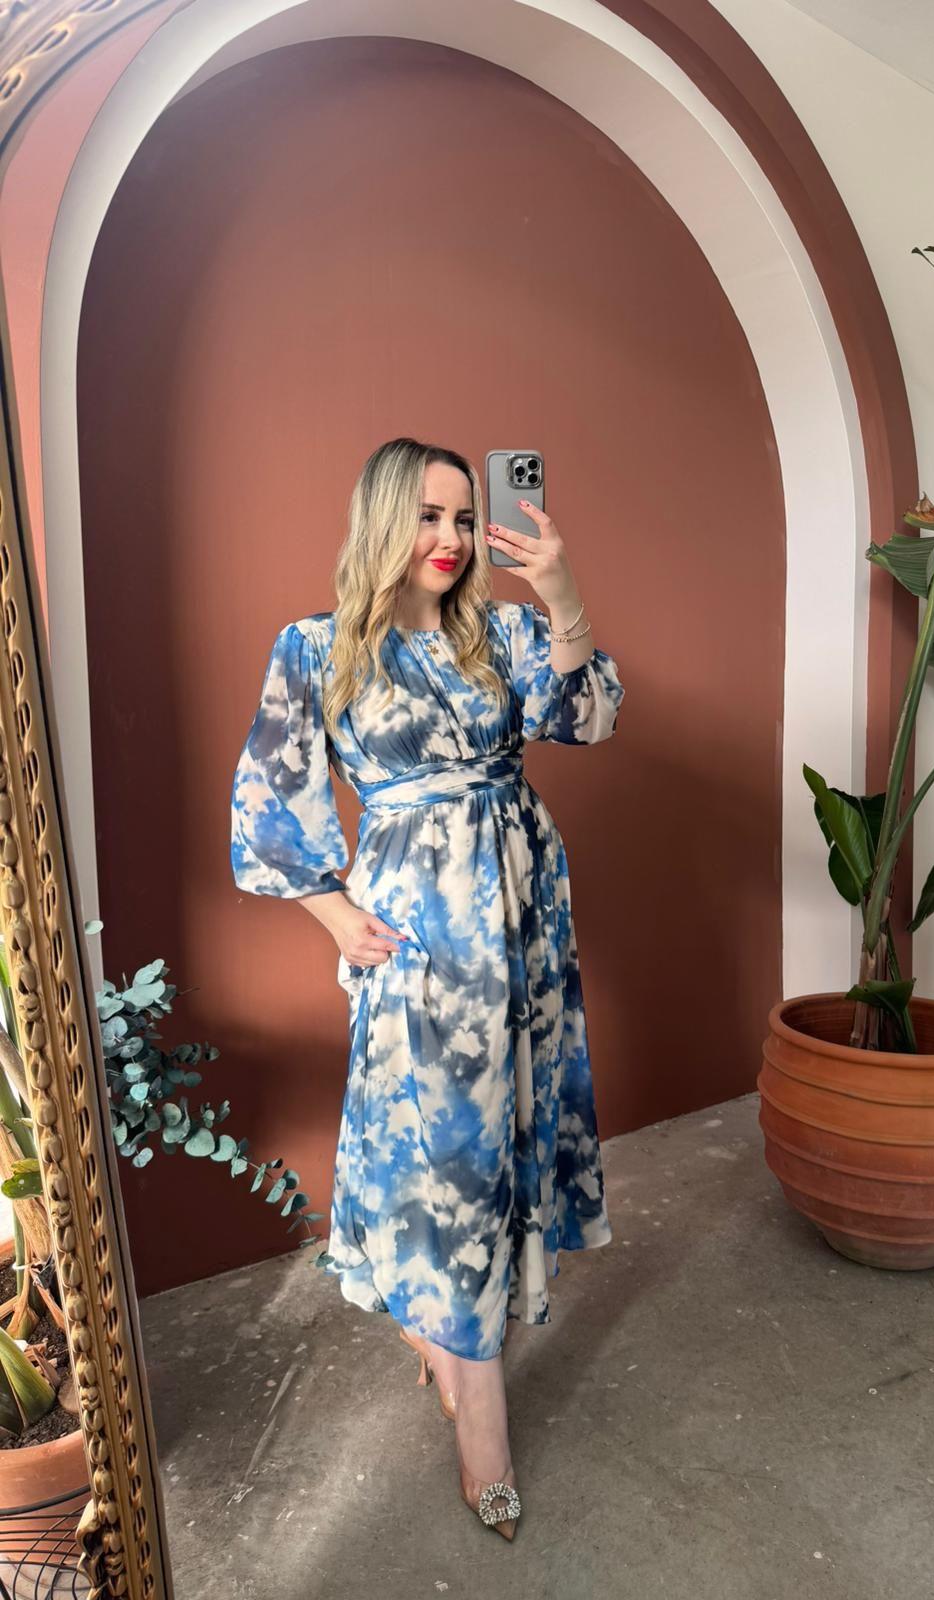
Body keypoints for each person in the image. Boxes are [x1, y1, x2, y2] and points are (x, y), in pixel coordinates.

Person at [229, 437, 626, 1539]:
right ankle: (480, 1421)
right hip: (419, 936)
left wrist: (564, 595)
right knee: (445, 1155)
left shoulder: (502, 634)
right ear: (382, 521)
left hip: (523, 921)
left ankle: (444, 1338)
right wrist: (334, 915)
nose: (449, 539)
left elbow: (589, 716)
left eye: (461, 517)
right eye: (427, 515)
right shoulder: (319, 648)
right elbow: (267, 801)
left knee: (502, 1142)